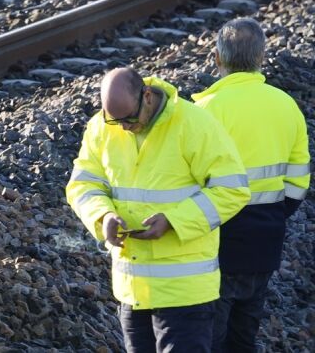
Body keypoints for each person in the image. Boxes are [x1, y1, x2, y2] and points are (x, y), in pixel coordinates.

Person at [67, 68, 250, 352]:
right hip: (134, 290)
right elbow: (83, 185)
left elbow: (233, 189)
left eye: (129, 119)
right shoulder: (101, 127)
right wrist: (102, 216)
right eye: (115, 120)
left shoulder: (194, 124)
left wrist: (174, 221)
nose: (123, 127)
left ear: (148, 96)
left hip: (185, 293)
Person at [192, 19, 309, 352]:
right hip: (265, 239)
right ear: (261, 57)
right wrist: (273, 214)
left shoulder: (204, 111)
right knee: (244, 335)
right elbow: (298, 182)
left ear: (217, 58)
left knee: (210, 336)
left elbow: (187, 181)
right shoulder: (286, 105)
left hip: (217, 242)